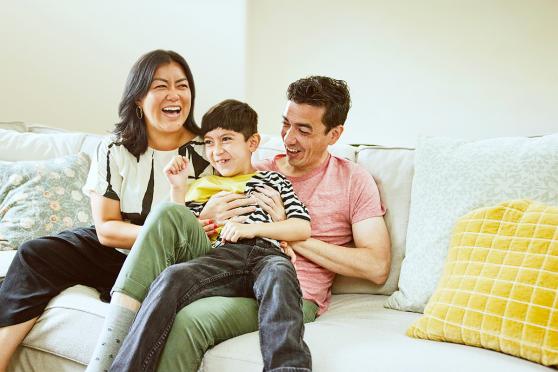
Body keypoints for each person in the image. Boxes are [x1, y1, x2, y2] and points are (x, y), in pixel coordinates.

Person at [149, 76, 392, 371]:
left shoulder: (354, 180)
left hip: (290, 295)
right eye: (286, 124)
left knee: (190, 320)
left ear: (334, 134)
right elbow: (189, 229)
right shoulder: (256, 169)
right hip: (231, 273)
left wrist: (286, 228)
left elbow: (376, 266)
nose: (289, 138)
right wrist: (206, 214)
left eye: (303, 130)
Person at [0, 49, 215, 372]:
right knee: (35, 253)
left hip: (175, 261)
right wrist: (155, 236)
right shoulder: (117, 148)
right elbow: (107, 228)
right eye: (160, 86)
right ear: (138, 99)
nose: (174, 94)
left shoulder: (209, 150)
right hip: (119, 247)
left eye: (182, 85)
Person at [91, 99, 313, 372]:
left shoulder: (274, 180)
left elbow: (302, 227)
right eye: (209, 142)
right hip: (221, 257)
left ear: (253, 142)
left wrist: (253, 229)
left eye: (226, 140)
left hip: (268, 255)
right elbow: (180, 228)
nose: (216, 151)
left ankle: (288, 368)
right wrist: (178, 188)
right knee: (171, 277)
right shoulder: (203, 185)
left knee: (280, 276)